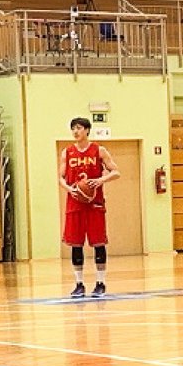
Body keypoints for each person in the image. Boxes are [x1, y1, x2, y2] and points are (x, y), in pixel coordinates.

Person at [59, 118, 119, 298]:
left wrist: (100, 180)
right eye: (73, 129)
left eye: (78, 128)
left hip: (95, 203)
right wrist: (69, 188)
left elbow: (116, 172)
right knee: (76, 244)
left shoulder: (99, 150)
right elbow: (60, 177)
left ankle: (100, 283)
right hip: (75, 203)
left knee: (98, 242)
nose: (75, 132)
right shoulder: (67, 152)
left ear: (87, 130)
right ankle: (79, 284)